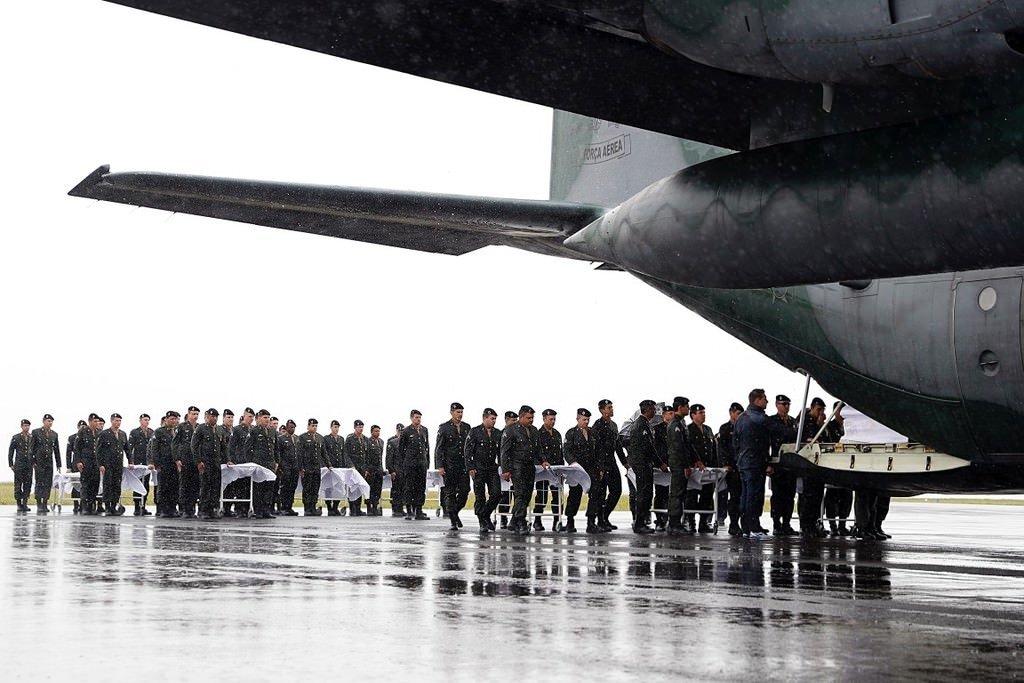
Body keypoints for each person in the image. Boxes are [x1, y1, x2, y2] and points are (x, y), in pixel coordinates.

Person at [734, 389, 798, 538]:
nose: (767, 402)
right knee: (754, 495)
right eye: (764, 399)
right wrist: (799, 434)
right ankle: (753, 527)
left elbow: (735, 442)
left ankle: (746, 526)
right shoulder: (758, 417)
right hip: (755, 462)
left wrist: (739, 458)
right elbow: (778, 429)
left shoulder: (742, 418)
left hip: (744, 462)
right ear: (757, 400)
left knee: (746, 495)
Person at [500, 405, 540, 535]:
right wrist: (506, 469)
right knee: (520, 494)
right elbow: (504, 452)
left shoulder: (534, 430)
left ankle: (513, 520)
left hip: (529, 467)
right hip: (517, 466)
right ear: (521, 417)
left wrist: (543, 460)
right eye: (528, 418)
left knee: (527, 495)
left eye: (532, 418)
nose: (531, 420)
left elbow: (537, 449)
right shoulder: (511, 430)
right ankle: (521, 521)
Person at [435, 402, 471, 530]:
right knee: (449, 493)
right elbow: (439, 448)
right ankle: (453, 520)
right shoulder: (444, 427)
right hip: (449, 465)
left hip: (463, 465)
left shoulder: (467, 427)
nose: (459, 415)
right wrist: (440, 466)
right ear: (451, 412)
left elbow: (470, 447)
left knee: (465, 491)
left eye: (461, 412)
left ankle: (454, 513)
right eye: (457, 412)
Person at [797, 397, 829, 538]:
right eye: (818, 410)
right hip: (808, 464)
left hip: (817, 465)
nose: (819, 413)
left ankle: (813, 523)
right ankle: (806, 525)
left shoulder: (817, 423)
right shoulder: (805, 421)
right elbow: (810, 440)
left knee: (817, 496)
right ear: (812, 407)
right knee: (808, 497)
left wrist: (820, 423)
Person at [593, 399, 627, 532]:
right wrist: (600, 467)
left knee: (616, 490)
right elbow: (597, 449)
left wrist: (624, 462)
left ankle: (605, 516)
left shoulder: (614, 425)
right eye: (609, 408)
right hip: (602, 463)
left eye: (612, 407)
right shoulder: (597, 426)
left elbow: (618, 446)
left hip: (612, 462)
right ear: (602, 410)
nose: (611, 410)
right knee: (601, 493)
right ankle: (600, 520)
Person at [465, 408, 501, 532]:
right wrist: (470, 467)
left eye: (495, 419)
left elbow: (501, 452)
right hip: (478, 469)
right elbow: (468, 451)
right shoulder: (475, 432)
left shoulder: (498, 433)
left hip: (492, 468)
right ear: (484, 418)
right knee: (480, 496)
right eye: (492, 419)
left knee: (496, 494)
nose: (494, 421)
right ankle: (482, 522)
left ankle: (484, 514)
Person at [769, 394, 800, 536]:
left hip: (791, 465)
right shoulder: (771, 421)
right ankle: (776, 523)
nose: (786, 407)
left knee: (789, 496)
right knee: (777, 496)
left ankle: (786, 523)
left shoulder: (793, 422)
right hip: (777, 464)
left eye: (788, 404)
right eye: (783, 404)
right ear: (777, 405)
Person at [628, 400, 659, 534]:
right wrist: (660, 463)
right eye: (652, 409)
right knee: (643, 494)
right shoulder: (640, 425)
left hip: (644, 464)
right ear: (646, 410)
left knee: (646, 494)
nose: (655, 412)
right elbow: (648, 447)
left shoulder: (645, 424)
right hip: (641, 464)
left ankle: (641, 521)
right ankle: (639, 523)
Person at [687, 404, 719, 533]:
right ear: (693, 415)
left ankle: (703, 522)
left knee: (707, 495)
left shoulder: (708, 430)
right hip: (695, 469)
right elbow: (688, 448)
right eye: (700, 413)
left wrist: (716, 466)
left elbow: (713, 449)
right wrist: (694, 462)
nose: (703, 415)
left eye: (704, 412)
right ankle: (690, 522)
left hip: (707, 469)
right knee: (692, 496)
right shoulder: (688, 429)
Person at [822, 402, 853, 536]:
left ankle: (842, 524)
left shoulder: (850, 426)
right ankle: (833, 524)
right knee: (832, 498)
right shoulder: (829, 427)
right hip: (834, 467)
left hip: (848, 467)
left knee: (846, 498)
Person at [562, 408, 594, 533]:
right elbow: (567, 451)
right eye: (584, 419)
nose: (586, 422)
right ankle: (570, 521)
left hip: (591, 468)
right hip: (577, 469)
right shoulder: (571, 433)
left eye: (587, 420)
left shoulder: (592, 433)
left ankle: (591, 521)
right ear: (578, 419)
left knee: (594, 494)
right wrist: (573, 463)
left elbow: (596, 451)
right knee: (574, 494)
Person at [665, 397, 695, 534]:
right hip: (678, 464)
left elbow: (687, 446)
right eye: (686, 406)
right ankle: (674, 524)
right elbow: (679, 447)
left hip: (680, 463)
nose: (688, 409)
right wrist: (685, 466)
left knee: (680, 493)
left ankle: (676, 523)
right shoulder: (675, 424)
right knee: (676, 494)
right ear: (680, 407)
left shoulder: (681, 423)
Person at [532, 408, 564, 531]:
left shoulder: (557, 434)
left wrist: (562, 468)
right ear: (544, 419)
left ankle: (557, 521)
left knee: (557, 497)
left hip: (555, 470)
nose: (553, 421)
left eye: (554, 419)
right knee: (542, 496)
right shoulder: (538, 434)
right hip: (543, 471)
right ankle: (537, 520)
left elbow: (560, 453)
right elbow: (536, 452)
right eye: (551, 419)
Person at [244, 409, 279, 519]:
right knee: (259, 488)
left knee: (269, 488)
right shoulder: (254, 431)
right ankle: (258, 510)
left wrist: (276, 461)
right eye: (264, 417)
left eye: (268, 417)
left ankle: (266, 510)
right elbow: (247, 448)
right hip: (259, 463)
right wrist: (251, 463)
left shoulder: (272, 431)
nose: (267, 420)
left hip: (270, 464)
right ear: (258, 419)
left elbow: (276, 448)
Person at [716, 402, 745, 536]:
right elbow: (722, 448)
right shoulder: (725, 429)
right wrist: (726, 464)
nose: (739, 417)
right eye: (738, 414)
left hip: (742, 466)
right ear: (731, 413)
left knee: (741, 496)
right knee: (733, 496)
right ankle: (733, 523)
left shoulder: (744, 428)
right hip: (731, 467)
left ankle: (741, 522)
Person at [191, 408, 225, 519]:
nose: (214, 418)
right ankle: (203, 510)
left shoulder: (219, 430)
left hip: (216, 462)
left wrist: (227, 459)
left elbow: (223, 446)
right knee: (205, 486)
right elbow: (194, 446)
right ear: (206, 417)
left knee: (215, 486)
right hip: (205, 462)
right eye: (212, 416)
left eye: (216, 416)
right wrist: (198, 461)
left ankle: (213, 509)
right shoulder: (201, 428)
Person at [398, 410, 430, 520]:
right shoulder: (406, 431)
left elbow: (427, 447)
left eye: (420, 417)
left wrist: (427, 462)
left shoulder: (424, 430)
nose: (418, 419)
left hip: (421, 463)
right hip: (410, 464)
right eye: (416, 417)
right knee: (409, 487)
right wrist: (404, 464)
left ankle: (419, 510)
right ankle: (409, 510)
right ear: (412, 418)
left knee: (420, 487)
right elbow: (401, 449)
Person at [96, 413, 129, 516]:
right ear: (111, 421)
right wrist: (100, 464)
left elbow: (127, 449)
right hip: (107, 464)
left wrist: (131, 461)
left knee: (116, 485)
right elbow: (98, 450)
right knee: (108, 485)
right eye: (116, 421)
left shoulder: (123, 434)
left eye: (119, 421)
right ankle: (107, 507)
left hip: (118, 464)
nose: (118, 423)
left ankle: (114, 505)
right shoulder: (104, 434)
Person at [225, 407, 254, 517]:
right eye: (249, 417)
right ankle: (239, 509)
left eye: (252, 417)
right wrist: (230, 460)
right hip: (239, 462)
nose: (251, 419)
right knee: (239, 488)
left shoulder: (252, 430)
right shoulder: (237, 430)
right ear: (244, 416)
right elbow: (231, 446)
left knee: (248, 487)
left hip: (248, 463)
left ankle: (246, 509)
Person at [29, 414, 61, 514]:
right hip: (39, 462)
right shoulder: (36, 432)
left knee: (48, 483)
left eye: (51, 421)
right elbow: (31, 448)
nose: (50, 423)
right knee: (39, 483)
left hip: (49, 463)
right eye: (48, 421)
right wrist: (33, 461)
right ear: (43, 421)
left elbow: (56, 450)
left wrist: (58, 464)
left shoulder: (54, 434)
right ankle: (39, 503)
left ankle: (45, 503)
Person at [151, 411, 180, 517]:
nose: (174, 421)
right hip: (164, 463)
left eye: (175, 419)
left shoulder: (178, 431)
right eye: (172, 419)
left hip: (175, 463)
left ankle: (172, 508)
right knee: (163, 487)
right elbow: (154, 448)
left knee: (174, 487)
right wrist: (157, 463)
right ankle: (163, 509)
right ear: (166, 419)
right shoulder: (159, 432)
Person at [174, 406, 201, 518]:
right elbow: (175, 443)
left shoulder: (200, 427)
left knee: (195, 485)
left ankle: (192, 507)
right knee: (185, 485)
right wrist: (177, 459)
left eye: (197, 414)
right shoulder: (181, 427)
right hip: (185, 460)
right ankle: (185, 509)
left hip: (196, 460)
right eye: (193, 414)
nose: (195, 416)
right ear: (188, 414)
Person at [74, 413, 103, 516]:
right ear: (90, 421)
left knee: (94, 484)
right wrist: (78, 461)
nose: (96, 423)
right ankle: (85, 506)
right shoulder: (83, 431)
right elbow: (77, 448)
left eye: (98, 422)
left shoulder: (99, 433)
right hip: (86, 462)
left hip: (96, 463)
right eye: (95, 421)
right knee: (85, 485)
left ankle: (91, 505)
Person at [298, 418, 326, 516]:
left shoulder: (320, 438)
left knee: (315, 487)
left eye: (316, 426)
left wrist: (328, 464)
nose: (314, 428)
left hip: (316, 467)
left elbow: (323, 453)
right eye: (312, 426)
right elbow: (300, 453)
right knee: (307, 488)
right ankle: (307, 508)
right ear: (308, 426)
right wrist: (301, 467)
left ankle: (313, 506)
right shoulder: (303, 437)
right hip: (307, 467)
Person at [128, 413, 154, 516]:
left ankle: (143, 506)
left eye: (148, 420)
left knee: (146, 484)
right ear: (140, 420)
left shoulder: (151, 432)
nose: (146, 422)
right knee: (137, 484)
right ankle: (136, 506)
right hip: (138, 462)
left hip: (147, 463)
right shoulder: (134, 432)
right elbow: (130, 448)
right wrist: (131, 461)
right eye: (145, 420)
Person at [344, 420, 370, 516]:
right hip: (353, 468)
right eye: (359, 427)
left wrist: (366, 468)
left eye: (362, 427)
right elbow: (346, 454)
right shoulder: (350, 438)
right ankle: (352, 508)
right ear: (355, 427)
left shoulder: (365, 439)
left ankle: (358, 508)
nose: (361, 429)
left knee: (360, 488)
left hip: (362, 467)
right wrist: (350, 466)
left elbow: (367, 455)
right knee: (352, 488)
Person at [497, 410, 517, 529]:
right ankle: (503, 517)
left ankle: (516, 517)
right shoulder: (501, 434)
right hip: (504, 467)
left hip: (516, 468)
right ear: (506, 420)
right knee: (505, 495)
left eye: (515, 420)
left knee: (516, 493)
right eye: (512, 420)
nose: (514, 422)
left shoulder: (517, 433)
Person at [276, 419, 300, 516]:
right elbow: (279, 453)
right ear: (286, 428)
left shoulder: (297, 439)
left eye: (294, 427)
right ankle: (283, 507)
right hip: (285, 466)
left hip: (295, 466)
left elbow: (299, 453)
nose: (292, 429)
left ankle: (289, 506)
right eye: (291, 427)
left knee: (292, 487)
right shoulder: (281, 438)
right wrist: (280, 466)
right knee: (285, 487)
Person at [9, 419, 33, 513]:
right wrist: (11, 463)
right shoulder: (16, 437)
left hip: (29, 465)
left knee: (28, 484)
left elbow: (34, 450)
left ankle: (25, 503)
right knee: (18, 484)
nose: (26, 427)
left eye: (28, 425)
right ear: (21, 426)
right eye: (25, 425)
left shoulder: (32, 437)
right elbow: (11, 451)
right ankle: (19, 503)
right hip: (19, 464)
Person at [323, 420, 346, 516]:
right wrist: (327, 465)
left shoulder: (341, 439)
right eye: (334, 427)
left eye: (337, 427)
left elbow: (342, 453)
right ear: (331, 427)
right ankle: (329, 507)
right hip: (329, 467)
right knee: (328, 488)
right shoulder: (326, 439)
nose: (336, 429)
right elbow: (324, 453)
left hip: (338, 467)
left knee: (338, 488)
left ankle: (335, 507)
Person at [385, 423, 405, 517]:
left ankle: (400, 507)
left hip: (403, 468)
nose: (400, 433)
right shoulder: (392, 442)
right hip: (396, 468)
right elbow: (389, 458)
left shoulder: (405, 441)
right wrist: (391, 470)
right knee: (396, 489)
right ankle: (395, 508)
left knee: (403, 489)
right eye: (399, 431)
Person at [366, 425, 386, 516]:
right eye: (376, 431)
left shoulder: (381, 442)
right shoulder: (368, 442)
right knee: (370, 488)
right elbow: (367, 457)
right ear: (371, 432)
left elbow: (380, 456)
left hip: (379, 469)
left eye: (378, 431)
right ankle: (369, 507)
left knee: (378, 489)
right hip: (371, 469)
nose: (377, 433)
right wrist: (367, 469)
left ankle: (375, 506)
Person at [66, 421, 83, 514]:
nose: (82, 428)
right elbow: (68, 453)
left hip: (85, 464)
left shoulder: (87, 437)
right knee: (75, 484)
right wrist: (68, 466)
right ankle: (76, 504)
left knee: (84, 484)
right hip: (75, 464)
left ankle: (83, 504)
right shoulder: (72, 438)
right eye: (80, 426)